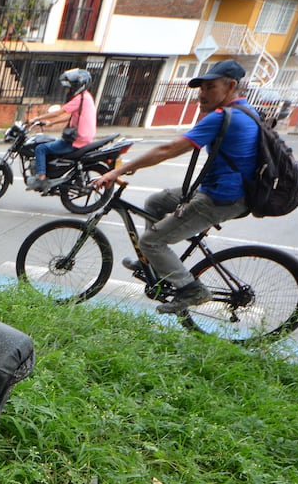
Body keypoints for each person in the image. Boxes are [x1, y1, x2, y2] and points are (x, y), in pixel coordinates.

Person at [92, 59, 259, 314]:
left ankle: (191, 289)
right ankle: (154, 263)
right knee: (155, 202)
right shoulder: (245, 111)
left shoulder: (226, 117)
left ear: (231, 86)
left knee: (151, 241)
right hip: (221, 189)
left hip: (221, 198)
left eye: (210, 88)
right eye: (200, 89)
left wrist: (117, 171)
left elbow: (168, 149)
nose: (202, 94)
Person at [25, 68, 96, 190]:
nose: (67, 90)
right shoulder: (86, 97)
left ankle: (41, 179)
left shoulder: (80, 99)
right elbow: (70, 116)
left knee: (41, 148)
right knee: (49, 144)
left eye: (69, 87)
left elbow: (59, 112)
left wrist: (36, 119)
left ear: (77, 86)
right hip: (83, 138)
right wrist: (51, 123)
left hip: (76, 140)